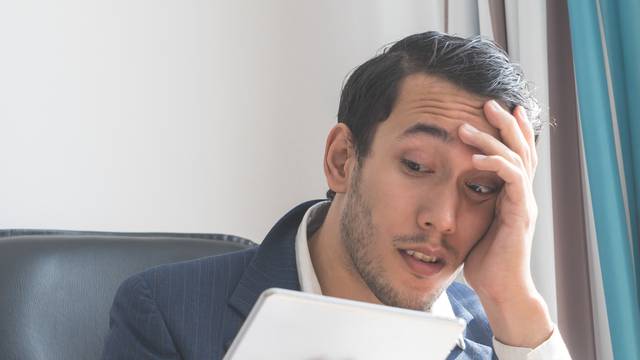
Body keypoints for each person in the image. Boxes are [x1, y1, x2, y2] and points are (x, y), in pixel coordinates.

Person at [102, 31, 571, 359]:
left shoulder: (504, 336)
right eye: (416, 166)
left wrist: (513, 298)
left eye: (479, 188)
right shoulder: (166, 310)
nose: (443, 219)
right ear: (343, 159)